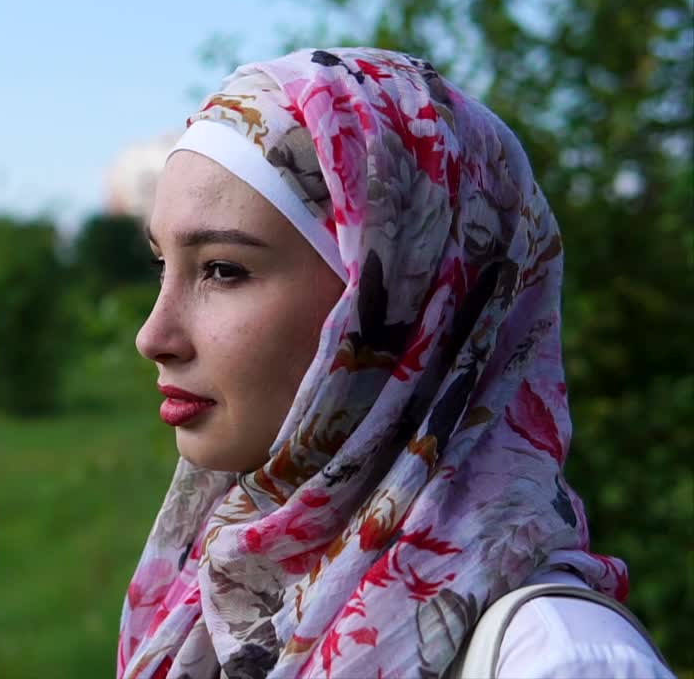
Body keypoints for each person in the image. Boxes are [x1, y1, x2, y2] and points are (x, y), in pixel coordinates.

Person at [117, 48, 674, 679]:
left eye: (223, 269)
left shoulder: (559, 661)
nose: (152, 335)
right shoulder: (207, 603)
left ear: (403, 303)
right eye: (163, 265)